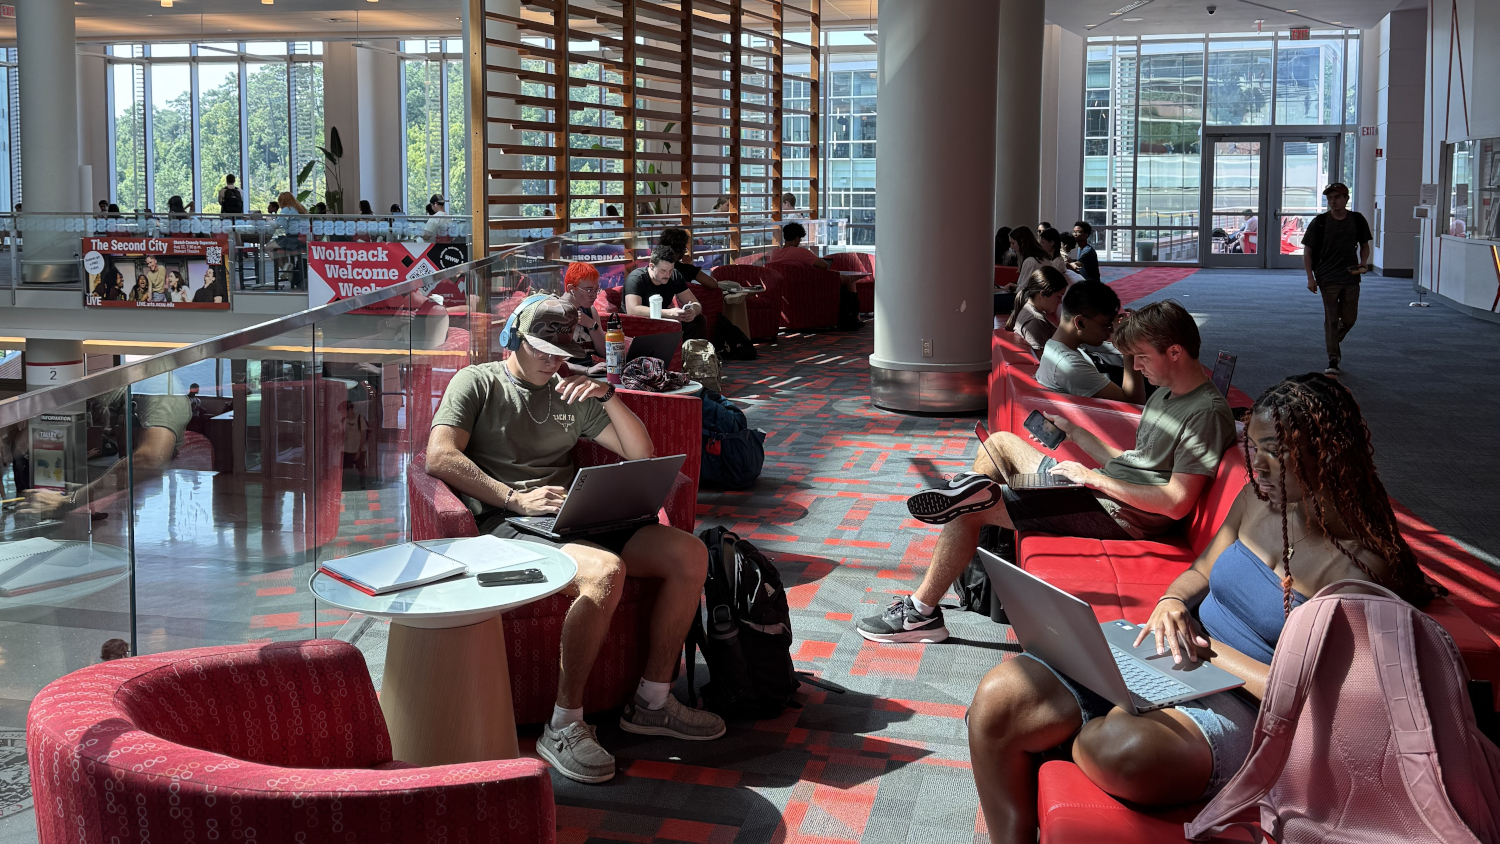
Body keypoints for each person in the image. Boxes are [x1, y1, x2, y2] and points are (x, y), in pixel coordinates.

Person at [966, 373, 1434, 844]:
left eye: (1275, 450)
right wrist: (1171, 602)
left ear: (1327, 451)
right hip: (1175, 653)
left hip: (1247, 704)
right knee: (998, 697)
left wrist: (1207, 654)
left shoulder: (1360, 566)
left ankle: (1084, 726)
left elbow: (1313, 696)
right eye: (1252, 448)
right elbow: (1201, 571)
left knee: (1124, 752)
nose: (1259, 466)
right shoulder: (1255, 500)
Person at [424, 296, 725, 784]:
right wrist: (513, 498)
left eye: (560, 351)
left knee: (689, 554)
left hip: (570, 517)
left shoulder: (571, 390)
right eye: (541, 349)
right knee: (605, 573)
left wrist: (606, 395)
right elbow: (439, 457)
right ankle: (564, 723)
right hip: (508, 521)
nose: (552, 360)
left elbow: (640, 451)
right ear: (515, 339)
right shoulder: (477, 382)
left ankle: (651, 702)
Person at [857, 300, 1234, 643]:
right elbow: (1138, 461)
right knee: (1000, 443)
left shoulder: (1205, 413)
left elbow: (1176, 503)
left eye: (1142, 357)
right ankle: (982, 558)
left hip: (1121, 514)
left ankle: (920, 614)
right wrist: (1077, 434)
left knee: (969, 508)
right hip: (1103, 490)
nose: (1135, 367)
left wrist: (1093, 478)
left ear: (1175, 351)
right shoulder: (1167, 393)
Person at [1301, 182, 1372, 376]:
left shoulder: (1357, 220)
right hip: (1327, 277)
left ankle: (1332, 339)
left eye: (1337, 197)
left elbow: (1364, 245)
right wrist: (1310, 277)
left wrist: (1363, 262)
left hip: (1351, 275)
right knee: (1331, 318)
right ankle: (1333, 358)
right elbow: (1308, 251)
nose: (1333, 201)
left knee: (1349, 318)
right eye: (1330, 198)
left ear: (1346, 199)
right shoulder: (1320, 222)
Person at [1037, 281, 1144, 403]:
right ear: (1080, 322)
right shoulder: (1069, 366)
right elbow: (1134, 404)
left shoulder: (1054, 346)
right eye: (1106, 325)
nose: (1110, 331)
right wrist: (1128, 347)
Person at [623, 245, 707, 340]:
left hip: (662, 321)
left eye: (670, 270)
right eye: (663, 270)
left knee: (699, 320)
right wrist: (668, 313)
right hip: (638, 324)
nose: (667, 275)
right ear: (651, 266)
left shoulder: (674, 275)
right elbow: (633, 310)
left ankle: (693, 353)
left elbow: (696, 304)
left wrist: (693, 312)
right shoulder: (636, 278)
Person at [1003, 266, 1067, 356]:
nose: (1060, 302)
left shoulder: (1029, 309)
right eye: (1058, 297)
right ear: (1043, 294)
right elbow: (1044, 362)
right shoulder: (1035, 321)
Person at [562, 262, 606, 365]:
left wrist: (591, 325)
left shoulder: (591, 311)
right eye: (589, 290)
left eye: (596, 290)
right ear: (571, 289)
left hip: (596, 369)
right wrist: (586, 371)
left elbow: (605, 352)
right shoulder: (555, 311)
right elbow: (552, 361)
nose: (594, 296)